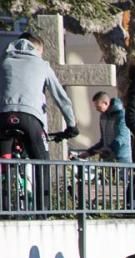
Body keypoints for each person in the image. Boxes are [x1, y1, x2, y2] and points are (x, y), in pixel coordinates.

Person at [0, 32, 78, 211]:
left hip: (3, 118)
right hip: (30, 119)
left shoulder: (4, 61)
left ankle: (3, 209)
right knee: (41, 162)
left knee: (3, 164)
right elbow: (61, 98)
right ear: (37, 48)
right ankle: (42, 211)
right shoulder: (41, 65)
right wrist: (72, 125)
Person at [81, 91, 131, 162]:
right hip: (108, 157)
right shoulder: (103, 116)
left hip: (121, 157)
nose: (97, 109)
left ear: (106, 103)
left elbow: (122, 137)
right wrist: (89, 152)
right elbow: (103, 141)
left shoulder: (121, 115)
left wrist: (109, 148)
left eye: (98, 107)